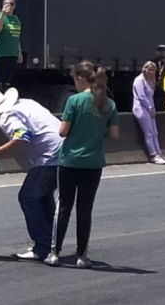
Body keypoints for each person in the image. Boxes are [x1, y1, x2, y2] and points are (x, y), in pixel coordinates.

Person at [44, 61, 120, 269]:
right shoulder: (108, 104)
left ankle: (54, 252)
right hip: (93, 162)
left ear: (80, 78)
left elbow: (62, 131)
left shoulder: (74, 101)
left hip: (70, 161)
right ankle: (82, 255)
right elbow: (114, 134)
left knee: (64, 206)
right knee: (85, 209)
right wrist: (97, 131)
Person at [0, 88, 62, 261]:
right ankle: (51, 243)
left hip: (49, 156)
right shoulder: (26, 103)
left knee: (29, 197)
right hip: (62, 150)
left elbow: (22, 137)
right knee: (43, 197)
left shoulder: (6, 116)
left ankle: (42, 246)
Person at [132, 61, 165, 164]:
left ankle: (159, 153)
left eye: (153, 70)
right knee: (148, 132)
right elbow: (142, 97)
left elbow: (150, 97)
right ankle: (153, 155)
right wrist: (150, 108)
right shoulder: (139, 80)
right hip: (141, 109)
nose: (151, 72)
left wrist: (153, 109)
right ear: (144, 69)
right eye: (149, 69)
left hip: (150, 109)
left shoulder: (151, 81)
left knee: (155, 132)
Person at [0, 0, 22, 88]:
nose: (9, 6)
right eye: (6, 3)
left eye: (11, 4)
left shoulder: (16, 19)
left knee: (8, 83)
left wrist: (19, 52)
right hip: (1, 55)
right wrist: (2, 14)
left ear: (14, 6)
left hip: (12, 54)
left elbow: (17, 37)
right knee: (0, 83)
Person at [150, 44, 165, 113]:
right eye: (160, 50)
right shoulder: (152, 63)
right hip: (154, 91)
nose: (162, 53)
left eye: (164, 51)